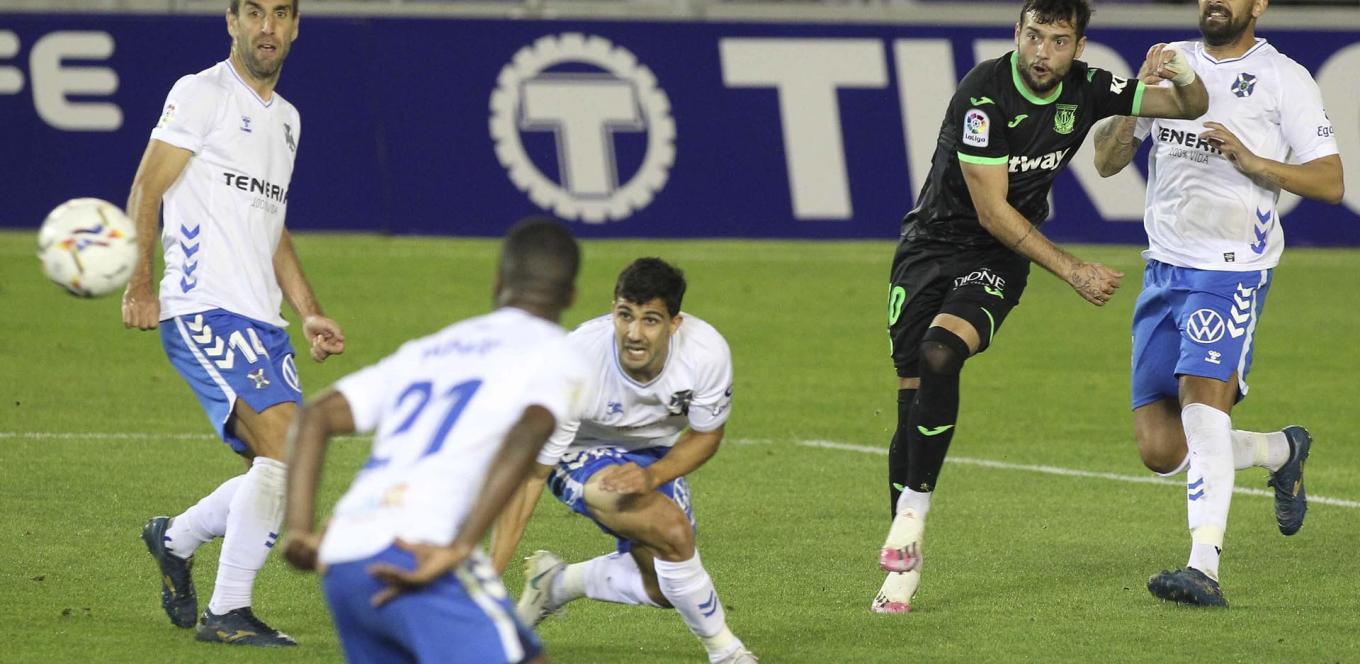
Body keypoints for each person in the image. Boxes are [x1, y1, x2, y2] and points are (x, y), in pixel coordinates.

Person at [875, 0, 1210, 614]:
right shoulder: (983, 95)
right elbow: (990, 210)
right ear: (1017, 33)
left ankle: (912, 515)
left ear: (1078, 47)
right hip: (931, 250)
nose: (1042, 53)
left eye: (1058, 41)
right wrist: (1074, 270)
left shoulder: (1088, 88)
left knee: (941, 352)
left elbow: (1189, 107)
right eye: (1033, 36)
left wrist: (1181, 74)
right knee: (912, 393)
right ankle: (904, 558)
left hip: (998, 258)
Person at [1092, 0, 1343, 607]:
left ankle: (1203, 566)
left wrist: (1254, 162)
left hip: (1231, 271)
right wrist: (1134, 105)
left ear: (1259, 5)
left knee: (1203, 407)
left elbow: (1331, 181)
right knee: (1161, 450)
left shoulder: (1284, 77)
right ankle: (1280, 450)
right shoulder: (1170, 63)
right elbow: (1105, 162)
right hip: (1163, 269)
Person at [122, 0, 344, 646]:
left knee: (278, 468)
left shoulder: (288, 121)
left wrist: (308, 310)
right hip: (203, 306)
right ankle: (227, 612)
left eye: (280, 13)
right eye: (253, 12)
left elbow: (272, 228)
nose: (266, 27)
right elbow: (147, 188)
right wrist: (141, 283)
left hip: (262, 320)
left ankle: (175, 537)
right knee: (290, 448)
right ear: (232, 21)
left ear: (295, 26)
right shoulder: (201, 94)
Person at [281, 218, 586, 664]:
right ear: (571, 295)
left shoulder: (432, 348)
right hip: (420, 551)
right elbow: (532, 428)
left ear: (498, 281)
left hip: (344, 554)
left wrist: (299, 530)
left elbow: (314, 416)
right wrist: (462, 546)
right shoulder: (559, 353)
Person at [489, 258, 756, 664]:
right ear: (612, 309)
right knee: (671, 529)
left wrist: (653, 475)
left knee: (664, 586)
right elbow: (530, 477)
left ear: (674, 324)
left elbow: (707, 435)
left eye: (650, 320)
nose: (633, 333)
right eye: (625, 315)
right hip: (576, 452)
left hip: (652, 455)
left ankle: (556, 584)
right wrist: (488, 581)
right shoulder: (577, 362)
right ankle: (728, 653)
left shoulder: (705, 353)